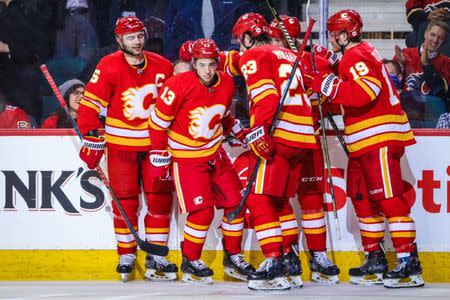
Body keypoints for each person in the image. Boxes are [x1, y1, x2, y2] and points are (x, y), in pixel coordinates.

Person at [310, 9, 425, 288]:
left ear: (345, 34)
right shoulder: (355, 54)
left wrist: (326, 83)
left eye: (333, 33)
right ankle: (375, 257)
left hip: (380, 138)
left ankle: (409, 262)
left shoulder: (356, 55)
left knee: (388, 199)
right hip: (363, 142)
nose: (331, 39)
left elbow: (364, 92)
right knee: (362, 197)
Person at [76, 16, 177, 282]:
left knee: (159, 201)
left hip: (156, 147)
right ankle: (126, 254)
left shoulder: (163, 66)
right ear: (119, 40)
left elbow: (177, 103)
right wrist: (90, 135)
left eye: (140, 36)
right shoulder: (108, 66)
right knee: (125, 202)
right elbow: (89, 106)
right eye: (131, 37)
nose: (138, 41)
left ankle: (157, 255)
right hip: (121, 146)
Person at [148, 38, 254, 284]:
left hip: (215, 153)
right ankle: (191, 260)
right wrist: (157, 152)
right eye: (202, 64)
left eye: (211, 64)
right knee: (202, 213)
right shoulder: (177, 85)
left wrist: (239, 132)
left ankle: (233, 257)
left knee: (236, 204)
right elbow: (157, 122)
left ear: (218, 63)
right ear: (194, 63)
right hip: (187, 158)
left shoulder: (226, 82)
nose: (207, 70)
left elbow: (223, 115)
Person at [231, 12, 318, 290]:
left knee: (258, 200)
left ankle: (274, 263)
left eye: (239, 40)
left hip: (279, 134)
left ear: (246, 37)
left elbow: (266, 96)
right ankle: (290, 263)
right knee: (279, 201)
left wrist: (259, 131)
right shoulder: (288, 54)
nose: (238, 47)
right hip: (302, 135)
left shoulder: (252, 56)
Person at [267, 14, 341, 285]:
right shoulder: (267, 60)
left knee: (311, 200)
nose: (274, 42)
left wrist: (324, 78)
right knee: (279, 200)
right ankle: (288, 251)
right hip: (281, 142)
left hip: (309, 141)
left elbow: (334, 97)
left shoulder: (315, 61)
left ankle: (318, 254)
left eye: (278, 37)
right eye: (271, 38)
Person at [394, 20, 450, 127]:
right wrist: (400, 67)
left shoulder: (446, 63)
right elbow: (392, 87)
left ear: (444, 41)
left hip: (432, 117)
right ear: (425, 33)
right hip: (406, 114)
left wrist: (426, 65)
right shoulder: (405, 54)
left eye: (440, 38)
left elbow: (441, 91)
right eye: (433, 35)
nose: (435, 40)